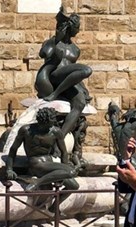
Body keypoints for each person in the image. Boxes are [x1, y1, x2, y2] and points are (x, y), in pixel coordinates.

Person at [34, 7, 92, 141]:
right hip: (53, 77)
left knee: (80, 103)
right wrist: (55, 41)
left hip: (66, 83)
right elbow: (44, 54)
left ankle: (59, 138)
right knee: (86, 70)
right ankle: (55, 94)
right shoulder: (53, 42)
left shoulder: (75, 50)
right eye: (77, 27)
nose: (78, 30)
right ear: (69, 28)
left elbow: (74, 74)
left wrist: (83, 90)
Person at [5, 107, 80, 192]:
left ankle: (54, 205)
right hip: (35, 164)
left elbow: (64, 153)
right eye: (52, 120)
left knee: (74, 186)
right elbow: (13, 149)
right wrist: (9, 169)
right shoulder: (26, 130)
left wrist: (62, 174)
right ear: (45, 121)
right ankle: (36, 183)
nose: (54, 122)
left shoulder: (55, 132)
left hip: (50, 164)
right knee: (71, 171)